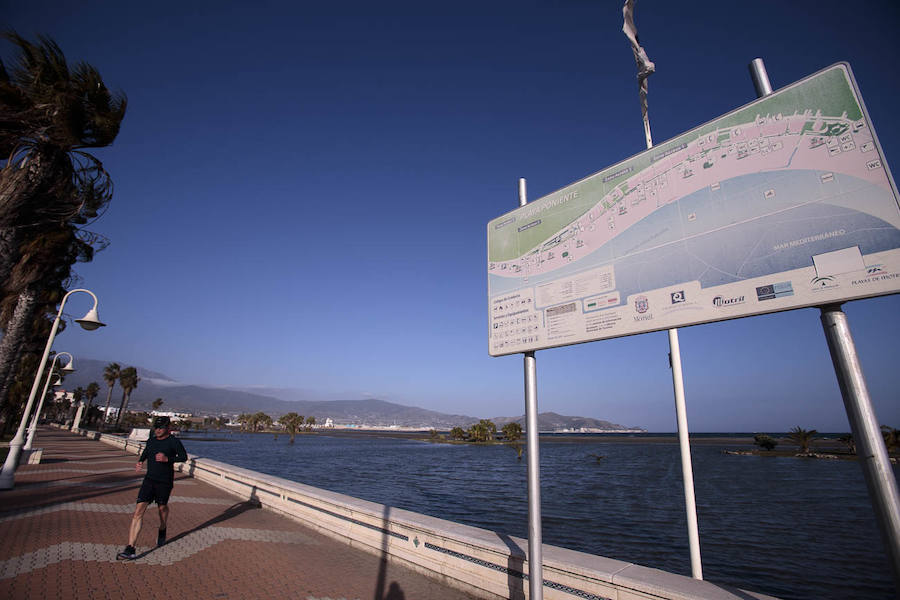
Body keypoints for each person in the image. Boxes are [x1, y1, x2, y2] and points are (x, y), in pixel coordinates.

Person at [117, 415, 187, 560]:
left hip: (164, 481)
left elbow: (183, 457)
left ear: (168, 428)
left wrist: (168, 459)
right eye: (156, 427)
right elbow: (147, 451)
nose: (158, 430)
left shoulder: (174, 442)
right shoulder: (152, 440)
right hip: (149, 480)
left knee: (162, 508)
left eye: (161, 428)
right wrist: (140, 461)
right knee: (138, 511)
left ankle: (162, 528)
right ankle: (130, 548)